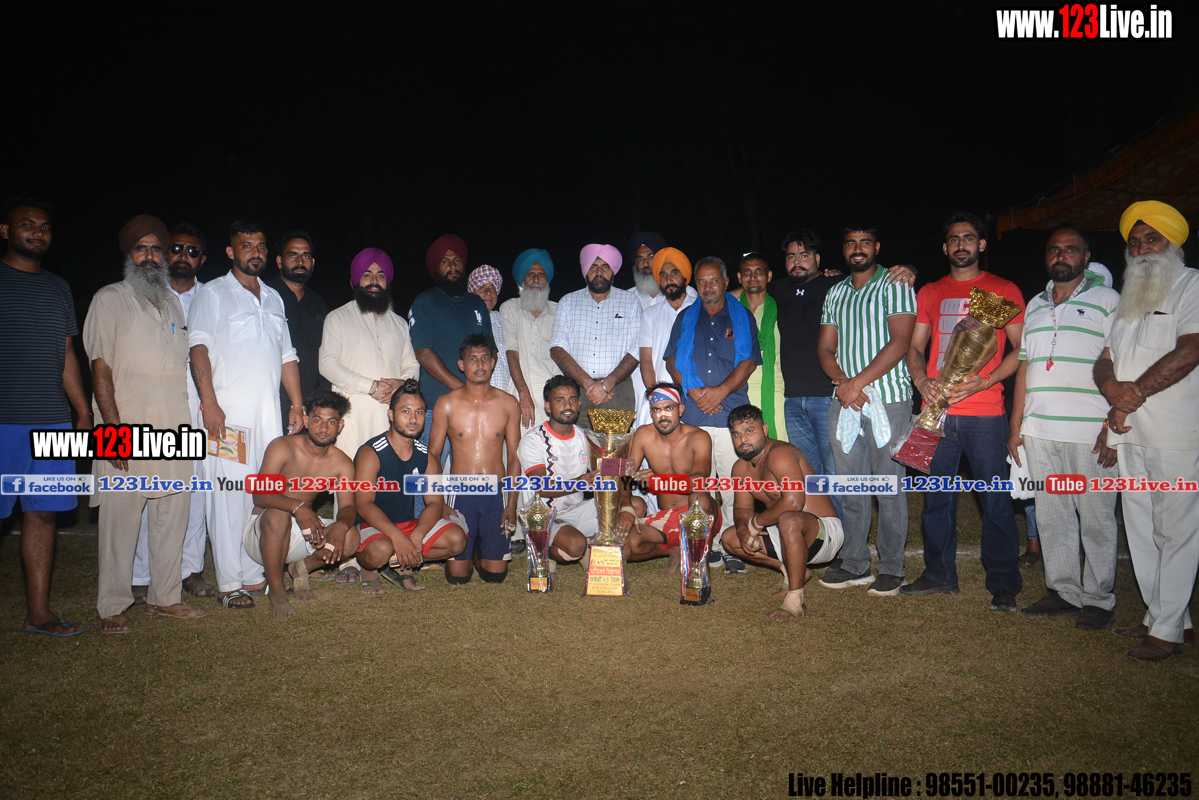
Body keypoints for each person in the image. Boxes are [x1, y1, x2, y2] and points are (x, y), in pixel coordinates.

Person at [84, 215, 205, 633]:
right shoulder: (109, 299)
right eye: (142, 249)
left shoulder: (172, 302)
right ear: (128, 255)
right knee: (120, 522)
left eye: (157, 248)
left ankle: (165, 596)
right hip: (126, 427)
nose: (150, 256)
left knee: (173, 517)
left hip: (174, 427)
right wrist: (112, 429)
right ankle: (113, 604)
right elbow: (100, 368)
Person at [902, 212, 1026, 611]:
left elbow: (1022, 350)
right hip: (936, 411)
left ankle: (1003, 582)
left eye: (969, 238)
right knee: (937, 498)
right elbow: (914, 347)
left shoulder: (1004, 289)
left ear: (981, 245)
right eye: (954, 239)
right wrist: (921, 380)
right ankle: (939, 574)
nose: (961, 245)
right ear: (945, 247)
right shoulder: (930, 291)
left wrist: (986, 382)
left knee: (994, 500)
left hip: (985, 412)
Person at [1095, 200, 1199, 662]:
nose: (1141, 249)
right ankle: (1166, 617)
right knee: (1140, 529)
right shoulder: (1129, 300)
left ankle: (1167, 631)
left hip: (1176, 434)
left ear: (1173, 243)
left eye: (1152, 239)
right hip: (1128, 433)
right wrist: (1111, 392)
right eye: (1134, 242)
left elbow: (1191, 349)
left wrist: (1130, 394)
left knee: (1176, 531)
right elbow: (1105, 360)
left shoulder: (1191, 285)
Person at [1008, 223, 1120, 630]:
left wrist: (1113, 425)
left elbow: (1120, 361)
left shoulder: (1109, 300)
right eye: (1054, 249)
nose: (1061, 255)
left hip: (1091, 431)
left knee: (1096, 517)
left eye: (1071, 249)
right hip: (1040, 431)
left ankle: (1099, 600)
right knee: (1053, 515)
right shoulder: (1035, 304)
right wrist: (1016, 426)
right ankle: (1064, 592)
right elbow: (1025, 366)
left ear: (1086, 257)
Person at [189, 220, 304, 609]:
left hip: (268, 417)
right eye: (246, 246)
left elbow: (287, 356)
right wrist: (209, 403)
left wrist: (297, 404)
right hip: (226, 417)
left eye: (260, 246)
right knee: (227, 495)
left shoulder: (273, 297)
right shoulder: (213, 293)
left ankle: (255, 574)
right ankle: (229, 583)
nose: (255, 252)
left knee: (263, 492)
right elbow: (198, 349)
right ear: (231, 252)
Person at [0, 198, 89, 637]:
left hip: (52, 423)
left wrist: (83, 410)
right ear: (5, 231)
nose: (38, 233)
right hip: (4, 423)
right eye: (27, 225)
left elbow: (66, 353)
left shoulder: (58, 288)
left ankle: (38, 613)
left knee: (43, 515)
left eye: (45, 227)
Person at [815, 225, 915, 596]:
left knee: (888, 488)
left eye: (865, 243)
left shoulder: (895, 284)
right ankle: (855, 563)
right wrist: (844, 384)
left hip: (887, 400)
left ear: (877, 247)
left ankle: (891, 568)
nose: (858, 249)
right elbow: (825, 348)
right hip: (844, 402)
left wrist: (855, 384)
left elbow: (900, 342)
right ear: (843, 249)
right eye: (851, 243)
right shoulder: (836, 292)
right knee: (851, 487)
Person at [131, 222, 213, 602]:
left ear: (202, 259)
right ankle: (142, 573)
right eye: (176, 248)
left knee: (195, 491)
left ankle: (189, 569)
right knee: (151, 488)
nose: (183, 256)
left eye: (192, 250)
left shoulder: (211, 297)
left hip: (201, 407)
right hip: (155, 405)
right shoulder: (145, 292)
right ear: (166, 254)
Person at [664, 256, 761, 572]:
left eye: (714, 280)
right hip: (693, 416)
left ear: (725, 281)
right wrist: (693, 391)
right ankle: (707, 545)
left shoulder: (742, 316)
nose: (707, 287)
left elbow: (748, 362)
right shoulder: (686, 317)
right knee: (699, 487)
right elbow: (671, 360)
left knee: (733, 487)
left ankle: (734, 545)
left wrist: (720, 392)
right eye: (702, 281)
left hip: (730, 414)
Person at [720, 404, 843, 621]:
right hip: (788, 531)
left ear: (765, 429)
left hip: (824, 533)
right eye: (736, 434)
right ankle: (792, 571)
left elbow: (794, 501)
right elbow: (742, 509)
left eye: (750, 431)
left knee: (788, 518)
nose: (743, 439)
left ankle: (795, 600)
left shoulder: (780, 453)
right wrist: (743, 529)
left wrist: (755, 524)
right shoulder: (740, 468)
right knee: (730, 538)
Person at [244, 391, 358, 618]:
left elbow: (348, 507)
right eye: (317, 420)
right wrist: (298, 507)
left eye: (331, 422)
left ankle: (300, 568)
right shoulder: (282, 446)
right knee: (279, 514)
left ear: (340, 426)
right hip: (263, 534)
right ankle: (276, 591)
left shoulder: (342, 462)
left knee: (351, 536)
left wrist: (341, 526)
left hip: (302, 533)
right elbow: (259, 495)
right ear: (306, 420)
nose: (323, 428)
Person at [353, 380, 467, 593]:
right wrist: (397, 537)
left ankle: (399, 562)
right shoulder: (371, 452)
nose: (413, 419)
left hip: (407, 525)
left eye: (419, 412)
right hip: (373, 525)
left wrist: (417, 535)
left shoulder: (426, 456)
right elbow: (364, 504)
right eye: (405, 411)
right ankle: (370, 568)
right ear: (390, 415)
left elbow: (434, 503)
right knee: (380, 550)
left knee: (457, 540)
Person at [428, 334, 522, 583]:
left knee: (495, 576)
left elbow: (515, 456)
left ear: (493, 362)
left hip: (496, 491)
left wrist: (511, 504)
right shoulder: (446, 403)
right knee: (458, 577)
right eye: (472, 359)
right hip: (460, 490)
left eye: (485, 358)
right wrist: (439, 502)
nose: (479, 365)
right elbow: (433, 455)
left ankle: (480, 544)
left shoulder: (509, 403)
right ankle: (472, 547)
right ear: (462, 365)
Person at [319, 248, 419, 461]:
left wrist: (402, 384)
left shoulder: (400, 324)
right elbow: (327, 364)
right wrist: (371, 387)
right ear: (355, 281)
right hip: (352, 419)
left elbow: (412, 365)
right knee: (351, 476)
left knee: (387, 476)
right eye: (367, 275)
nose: (374, 281)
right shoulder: (337, 318)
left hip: (390, 418)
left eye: (380, 276)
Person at [619, 384, 716, 572]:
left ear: (680, 409)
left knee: (699, 498)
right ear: (651, 412)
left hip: (699, 515)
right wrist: (626, 506)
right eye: (656, 410)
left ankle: (698, 566)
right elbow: (625, 472)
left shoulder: (699, 436)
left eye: (669, 408)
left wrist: (659, 482)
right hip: (665, 520)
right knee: (626, 546)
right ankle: (674, 550)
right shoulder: (643, 434)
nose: (662, 415)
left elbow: (699, 481)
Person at [408, 234, 493, 450]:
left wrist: (476, 391)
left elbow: (490, 351)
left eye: (457, 260)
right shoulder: (425, 301)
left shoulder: (477, 304)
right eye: (445, 261)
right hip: (435, 408)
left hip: (473, 407)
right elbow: (423, 352)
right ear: (436, 268)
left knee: (469, 467)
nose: (453, 266)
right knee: (430, 468)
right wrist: (462, 388)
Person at [515, 376, 603, 569]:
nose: (567, 406)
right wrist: (580, 482)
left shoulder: (586, 437)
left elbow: (605, 471)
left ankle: (588, 542)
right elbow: (542, 488)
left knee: (632, 507)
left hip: (578, 509)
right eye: (560, 400)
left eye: (573, 400)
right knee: (575, 546)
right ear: (548, 406)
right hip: (547, 515)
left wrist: (626, 469)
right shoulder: (533, 440)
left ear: (579, 405)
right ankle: (545, 549)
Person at [550, 244, 642, 424]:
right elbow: (557, 349)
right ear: (585, 270)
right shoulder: (568, 302)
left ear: (613, 270)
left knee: (616, 443)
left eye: (605, 266)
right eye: (593, 266)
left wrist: (607, 384)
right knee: (577, 442)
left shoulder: (630, 301)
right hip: (577, 392)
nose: (599, 272)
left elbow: (637, 348)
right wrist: (588, 384)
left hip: (617, 391)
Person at [266, 229, 331, 434]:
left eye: (306, 256)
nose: (300, 261)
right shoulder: (265, 297)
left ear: (313, 262)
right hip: (270, 401)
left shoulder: (318, 303)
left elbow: (326, 356)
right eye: (293, 255)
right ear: (279, 261)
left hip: (310, 406)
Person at [636, 247, 698, 430]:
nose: (668, 279)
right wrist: (657, 395)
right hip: (659, 396)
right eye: (663, 275)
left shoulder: (699, 309)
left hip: (694, 396)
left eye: (674, 273)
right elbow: (646, 360)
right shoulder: (650, 315)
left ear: (685, 276)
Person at [501, 249, 561, 430]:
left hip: (552, 401)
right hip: (519, 398)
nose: (536, 279)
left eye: (541, 275)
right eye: (530, 274)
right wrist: (524, 395)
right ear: (522, 280)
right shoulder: (510, 308)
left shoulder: (559, 311)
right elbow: (511, 352)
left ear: (547, 280)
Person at [734, 252, 788, 444]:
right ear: (739, 277)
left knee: (778, 448)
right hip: (739, 392)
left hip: (776, 392)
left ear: (769, 276)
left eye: (759, 271)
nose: (753, 276)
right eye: (747, 272)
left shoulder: (783, 307)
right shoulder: (731, 311)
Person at [467, 264, 513, 394]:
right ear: (471, 292)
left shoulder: (502, 319)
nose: (489, 292)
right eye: (482, 287)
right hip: (473, 396)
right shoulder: (463, 318)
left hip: (503, 395)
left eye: (493, 287)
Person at [628, 231, 668, 310]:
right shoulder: (628, 297)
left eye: (651, 257)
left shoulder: (685, 293)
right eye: (640, 259)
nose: (645, 264)